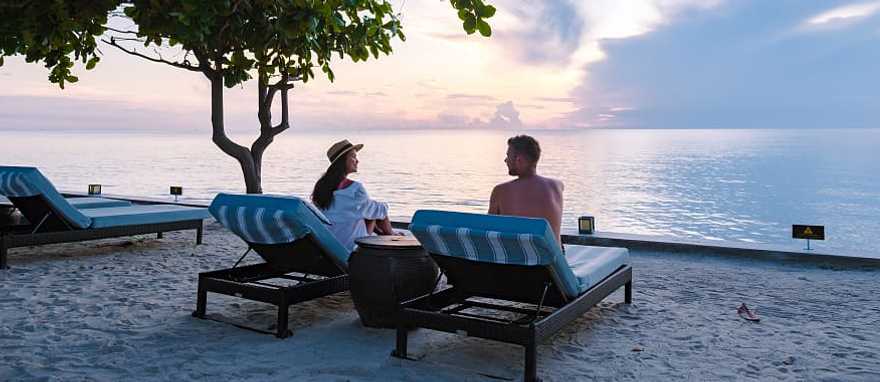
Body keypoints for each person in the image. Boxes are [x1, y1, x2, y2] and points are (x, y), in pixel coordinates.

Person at [312, 139, 396, 252]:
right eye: (353, 156)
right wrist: (385, 206)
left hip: (330, 248)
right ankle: (392, 235)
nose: (357, 161)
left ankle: (386, 234)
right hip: (352, 247)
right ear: (342, 161)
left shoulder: (321, 186)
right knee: (376, 211)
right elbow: (380, 211)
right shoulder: (355, 189)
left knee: (366, 210)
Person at [489, 135, 564, 244]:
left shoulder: (500, 191)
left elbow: (489, 231)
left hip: (519, 259)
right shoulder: (558, 186)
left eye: (508, 156)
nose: (505, 160)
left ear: (518, 160)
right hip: (553, 259)